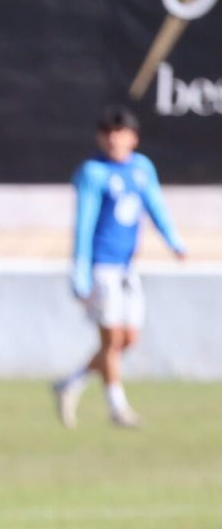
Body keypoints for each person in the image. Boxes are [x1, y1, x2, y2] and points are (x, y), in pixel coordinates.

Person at [52, 105, 185, 430]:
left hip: (127, 267)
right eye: (108, 134)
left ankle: (71, 383)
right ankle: (117, 408)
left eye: (121, 133)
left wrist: (173, 241)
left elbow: (154, 205)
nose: (115, 140)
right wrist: (80, 273)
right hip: (102, 267)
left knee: (128, 339)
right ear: (101, 138)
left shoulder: (141, 169)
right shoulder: (93, 173)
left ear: (133, 139)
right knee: (110, 339)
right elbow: (83, 224)